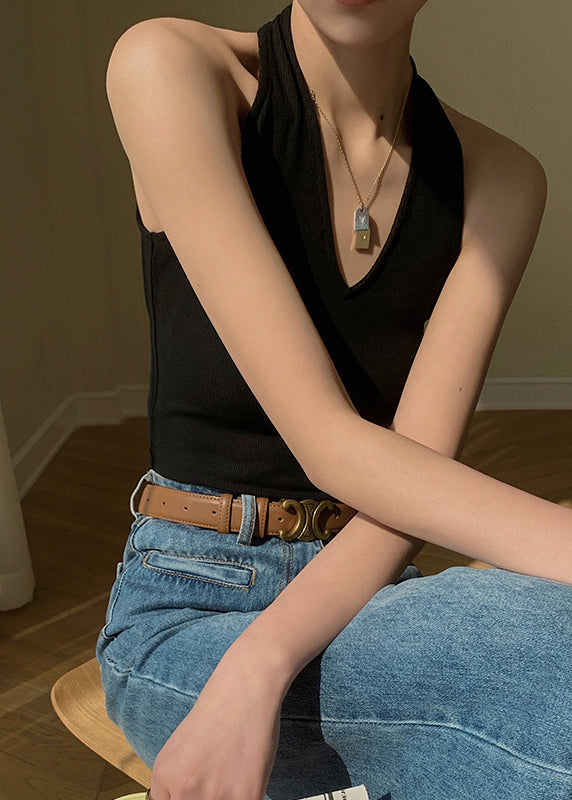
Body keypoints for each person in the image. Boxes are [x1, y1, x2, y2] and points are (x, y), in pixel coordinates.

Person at [96, 2, 572, 798]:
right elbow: (328, 442)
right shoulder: (170, 65)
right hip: (190, 606)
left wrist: (266, 659)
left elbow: (412, 482)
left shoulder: (501, 177)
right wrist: (247, 667)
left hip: (366, 596)